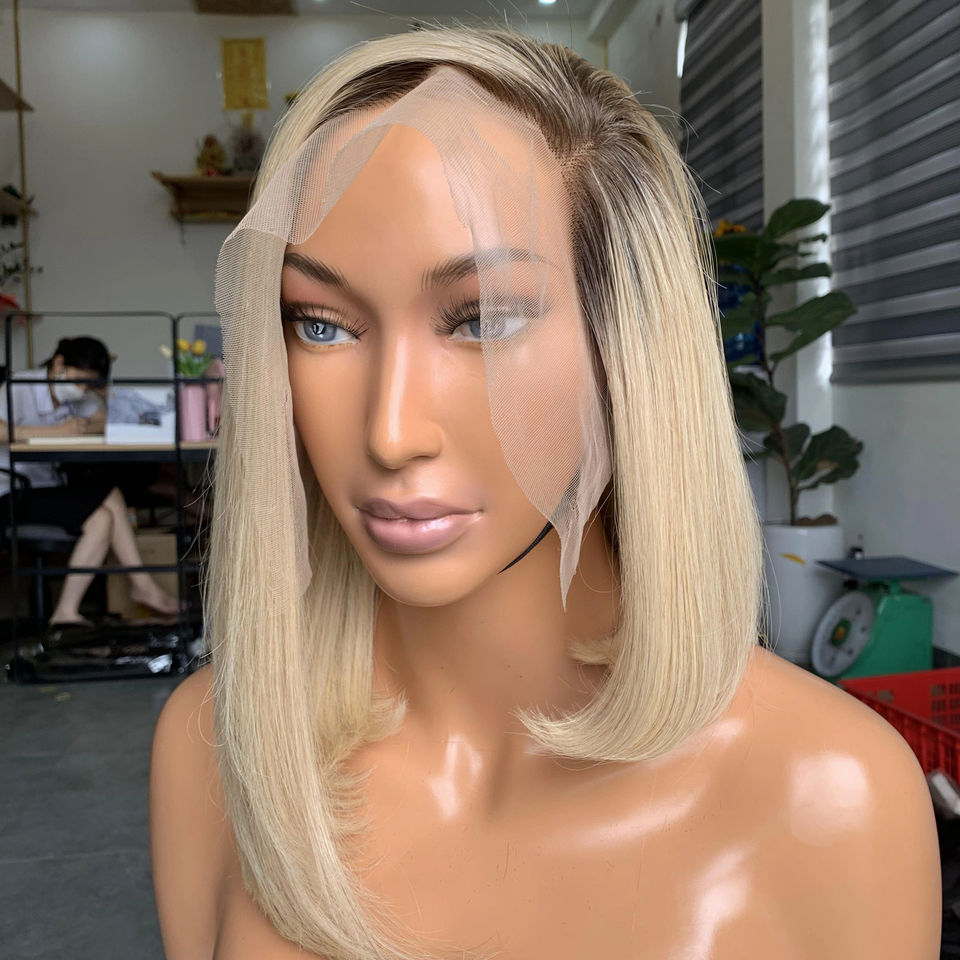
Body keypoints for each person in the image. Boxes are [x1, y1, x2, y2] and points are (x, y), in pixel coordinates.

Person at [150, 25, 941, 960]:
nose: (390, 431)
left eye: (482, 318)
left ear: (622, 346)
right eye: (320, 325)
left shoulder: (828, 792)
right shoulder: (217, 747)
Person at [0, 335, 184, 628]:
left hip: (45, 486)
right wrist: (54, 433)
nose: (83, 389)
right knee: (103, 510)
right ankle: (135, 588)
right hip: (11, 490)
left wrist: (86, 418)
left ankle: (75, 609)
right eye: (81, 381)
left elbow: (102, 419)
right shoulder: (20, 386)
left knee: (106, 505)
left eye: (89, 384)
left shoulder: (76, 392)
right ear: (59, 364)